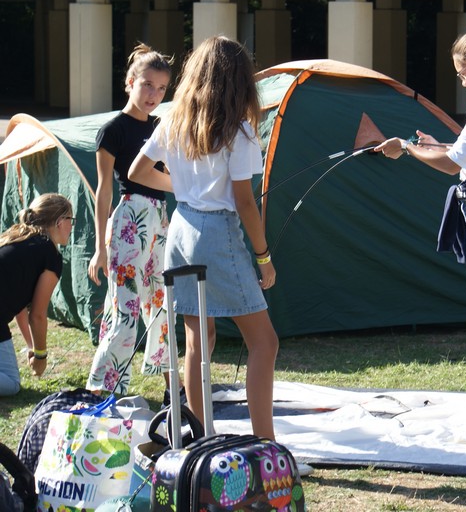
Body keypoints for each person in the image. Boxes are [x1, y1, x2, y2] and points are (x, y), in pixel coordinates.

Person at [374, 25, 466, 445]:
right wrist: (436, 143)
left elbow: (453, 164)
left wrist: (406, 148)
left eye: (463, 72)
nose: (461, 80)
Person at [129, 36, 279, 439]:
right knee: (264, 343)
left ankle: (201, 439)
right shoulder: (240, 131)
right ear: (240, 80)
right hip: (218, 233)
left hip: (181, 229)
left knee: (198, 342)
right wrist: (263, 257)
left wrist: (181, 188)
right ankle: (267, 444)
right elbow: (245, 203)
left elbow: (138, 171)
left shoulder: (174, 118)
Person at [85, 43, 175, 398]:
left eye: (162, 88)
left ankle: (173, 385)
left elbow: (169, 174)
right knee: (127, 310)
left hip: (160, 219)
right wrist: (99, 249)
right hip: (128, 220)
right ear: (130, 82)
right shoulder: (113, 130)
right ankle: (100, 389)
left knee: (163, 303)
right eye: (147, 85)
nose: (154, 94)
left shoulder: (161, 127)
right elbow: (103, 190)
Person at [0, 194, 73, 396]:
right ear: (59, 222)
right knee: (11, 383)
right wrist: (41, 357)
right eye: (71, 220)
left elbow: (20, 307)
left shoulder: (18, 237)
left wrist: (32, 347)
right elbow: (38, 315)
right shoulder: (50, 254)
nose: (71, 226)